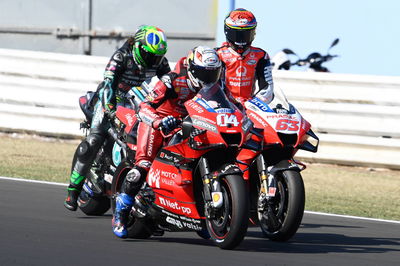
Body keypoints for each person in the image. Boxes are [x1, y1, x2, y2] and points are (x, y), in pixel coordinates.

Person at [112, 46, 222, 238]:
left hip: (188, 126)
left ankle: (201, 216)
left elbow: (226, 105)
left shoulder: (215, 87)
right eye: (205, 72)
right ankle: (120, 214)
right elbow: (145, 106)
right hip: (159, 125)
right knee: (143, 167)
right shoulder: (172, 80)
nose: (209, 78)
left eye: (214, 73)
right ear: (193, 69)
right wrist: (158, 121)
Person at [64, 25, 170, 211]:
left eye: (157, 57)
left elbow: (170, 85)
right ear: (138, 46)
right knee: (95, 139)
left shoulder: (159, 62)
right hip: (111, 99)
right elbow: (108, 85)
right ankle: (73, 191)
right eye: (149, 55)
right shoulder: (121, 57)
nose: (153, 61)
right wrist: (110, 109)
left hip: (137, 99)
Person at [215, 8, 274, 105]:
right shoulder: (217, 54)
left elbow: (267, 89)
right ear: (227, 32)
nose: (241, 40)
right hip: (222, 105)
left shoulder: (261, 55)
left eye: (246, 35)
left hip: (250, 107)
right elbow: (210, 86)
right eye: (237, 35)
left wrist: (253, 104)